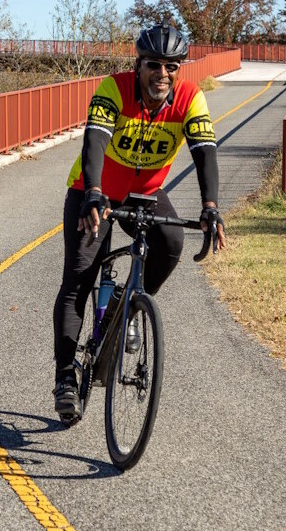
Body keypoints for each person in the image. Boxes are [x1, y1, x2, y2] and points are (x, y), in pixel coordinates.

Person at [53, 23, 226, 423]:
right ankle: (65, 377)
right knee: (79, 277)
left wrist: (210, 205)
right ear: (138, 65)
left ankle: (127, 307)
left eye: (171, 66)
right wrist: (94, 192)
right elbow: (95, 139)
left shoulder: (190, 99)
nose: (162, 74)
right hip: (93, 189)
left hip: (144, 192)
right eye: (153, 65)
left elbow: (204, 150)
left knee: (170, 243)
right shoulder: (113, 90)